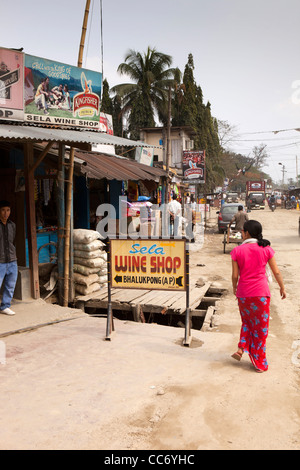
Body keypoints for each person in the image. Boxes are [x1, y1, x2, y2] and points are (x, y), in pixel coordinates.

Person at [231, 220, 286, 372]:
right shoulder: (266, 249)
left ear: (247, 233)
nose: (241, 234)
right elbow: (276, 272)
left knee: (247, 322)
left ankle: (242, 347)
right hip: (261, 294)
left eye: (242, 231)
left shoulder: (237, 251)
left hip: (244, 294)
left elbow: (235, 275)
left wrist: (235, 289)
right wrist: (282, 287)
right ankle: (259, 362)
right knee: (261, 328)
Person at [0, 200, 18, 315]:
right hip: (0, 261)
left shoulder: (12, 225)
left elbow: (13, 242)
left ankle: (5, 306)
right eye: (3, 210)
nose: (6, 213)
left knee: (10, 285)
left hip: (12, 260)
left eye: (8, 210)